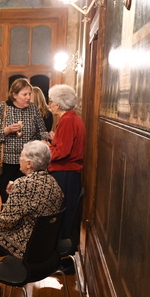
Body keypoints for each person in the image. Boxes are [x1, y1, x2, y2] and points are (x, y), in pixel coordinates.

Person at [0, 141, 64, 294]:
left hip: (24, 244)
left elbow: (5, 222)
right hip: (42, 246)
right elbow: (29, 209)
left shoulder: (23, 184)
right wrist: (14, 196)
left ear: (29, 163)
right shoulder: (53, 182)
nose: (19, 159)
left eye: (21, 155)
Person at [0, 78, 47, 204]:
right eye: (25, 94)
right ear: (14, 94)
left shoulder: (33, 109)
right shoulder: (2, 107)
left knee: (26, 199)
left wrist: (46, 139)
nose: (28, 97)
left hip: (29, 164)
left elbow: (42, 132)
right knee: (7, 199)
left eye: (29, 94)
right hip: (6, 164)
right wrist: (6, 130)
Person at [46, 84, 86, 243]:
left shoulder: (67, 120)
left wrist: (45, 149)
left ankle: (62, 250)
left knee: (64, 215)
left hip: (65, 173)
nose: (50, 105)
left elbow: (62, 152)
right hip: (68, 173)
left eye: (51, 102)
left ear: (58, 103)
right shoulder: (72, 118)